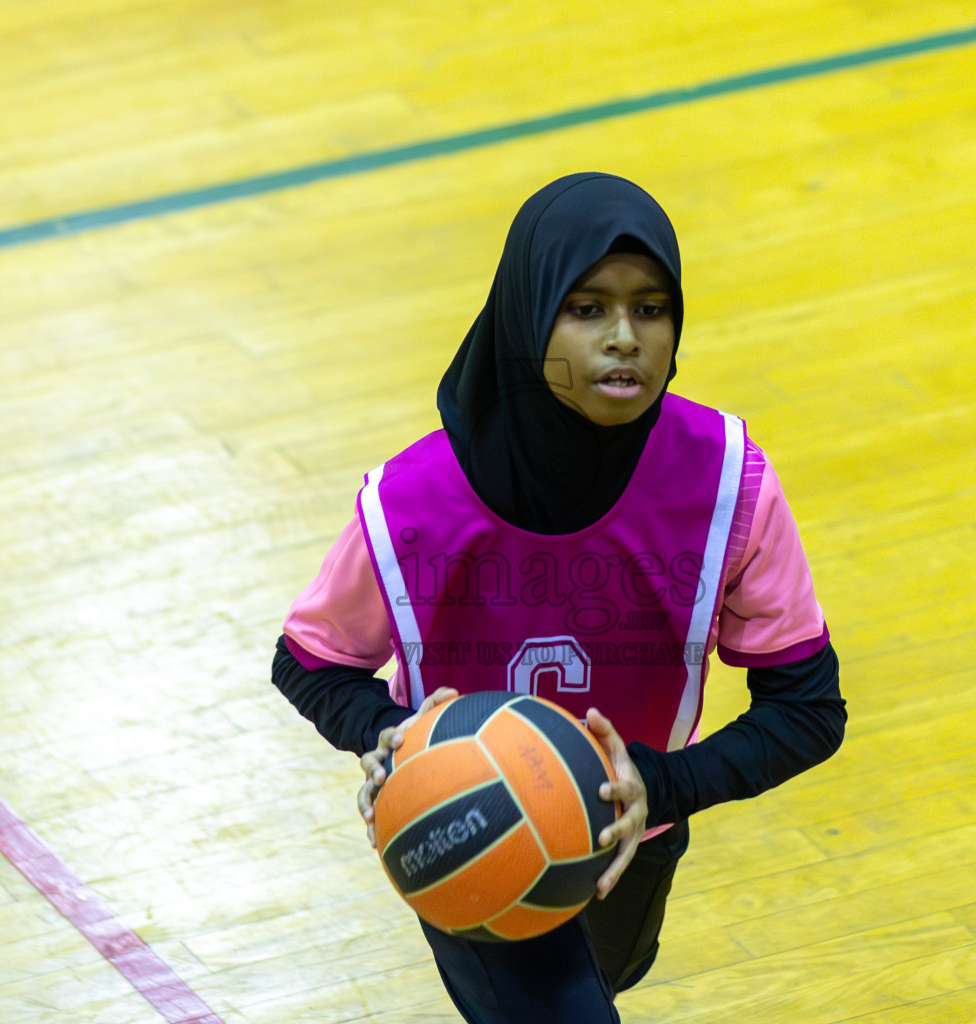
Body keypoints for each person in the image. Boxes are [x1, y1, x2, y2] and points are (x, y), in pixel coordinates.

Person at [272, 172, 846, 1023]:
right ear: (527, 316)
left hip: (632, 838)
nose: (625, 338)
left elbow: (808, 709)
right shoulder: (412, 502)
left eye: (651, 309)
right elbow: (310, 662)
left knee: (611, 977)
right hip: (462, 837)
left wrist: (665, 781)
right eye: (586, 310)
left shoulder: (728, 482)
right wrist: (393, 738)